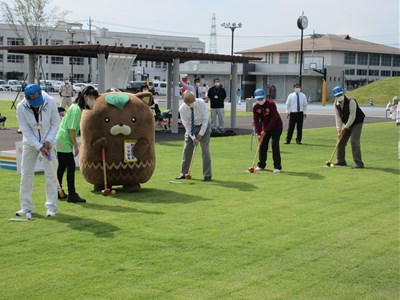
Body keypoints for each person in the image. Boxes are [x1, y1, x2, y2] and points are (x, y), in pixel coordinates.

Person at [16, 84, 60, 217]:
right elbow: (25, 130)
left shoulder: (50, 102)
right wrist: (39, 146)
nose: (36, 105)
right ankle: (26, 207)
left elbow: (55, 123)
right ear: (27, 99)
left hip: (49, 142)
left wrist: (48, 141)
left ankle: (51, 207)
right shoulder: (20, 107)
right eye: (33, 102)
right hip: (30, 143)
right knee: (26, 174)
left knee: (51, 175)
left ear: (40, 94)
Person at [56, 86, 99, 203]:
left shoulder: (75, 108)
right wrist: (76, 146)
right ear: (85, 97)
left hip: (61, 140)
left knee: (62, 167)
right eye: (92, 97)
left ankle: (58, 191)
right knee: (70, 167)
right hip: (64, 141)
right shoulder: (76, 110)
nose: (93, 100)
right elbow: (71, 130)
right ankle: (72, 194)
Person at [176, 91, 212, 181]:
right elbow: (187, 125)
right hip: (192, 127)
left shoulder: (201, 103)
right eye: (191, 102)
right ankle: (183, 173)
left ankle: (207, 175)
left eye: (194, 100)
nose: (193, 103)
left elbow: (205, 120)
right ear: (186, 102)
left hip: (204, 127)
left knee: (205, 150)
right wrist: (193, 138)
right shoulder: (182, 109)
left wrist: (200, 135)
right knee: (187, 149)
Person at [332, 86, 365, 168]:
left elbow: (352, 116)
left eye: (340, 94)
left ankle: (359, 163)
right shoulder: (335, 104)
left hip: (357, 122)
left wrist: (345, 128)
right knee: (340, 141)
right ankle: (341, 161)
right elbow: (338, 118)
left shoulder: (351, 101)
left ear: (343, 93)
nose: (339, 96)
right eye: (337, 95)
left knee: (354, 141)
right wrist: (339, 130)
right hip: (347, 123)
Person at [252, 88, 283, 173]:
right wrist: (259, 133)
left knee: (274, 145)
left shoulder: (271, 104)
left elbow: (273, 119)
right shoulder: (255, 107)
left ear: (264, 97)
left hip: (277, 127)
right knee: (262, 145)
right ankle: (261, 164)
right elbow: (256, 120)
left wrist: (264, 131)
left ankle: (277, 167)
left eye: (261, 98)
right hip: (265, 127)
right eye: (258, 99)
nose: (260, 100)